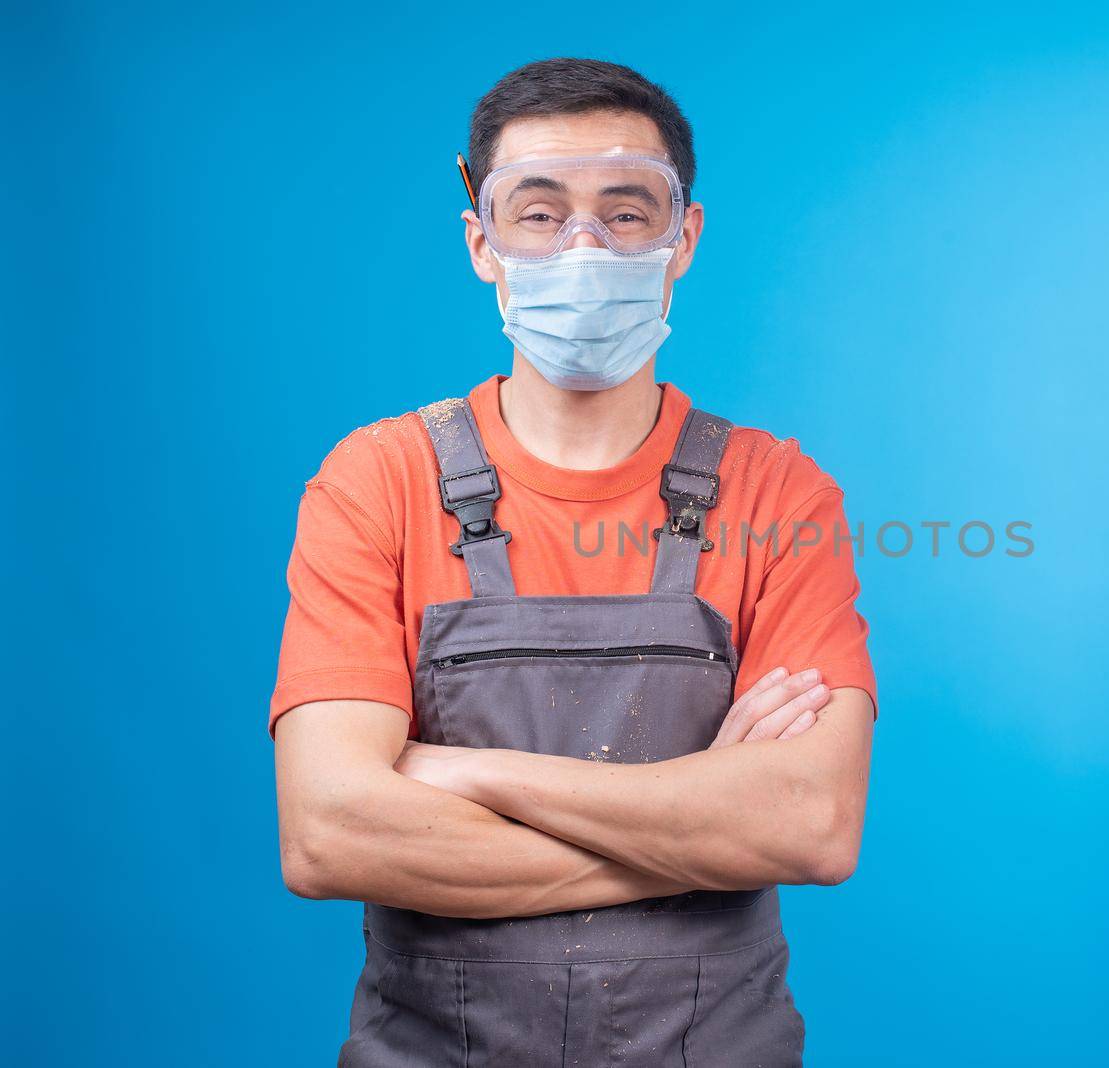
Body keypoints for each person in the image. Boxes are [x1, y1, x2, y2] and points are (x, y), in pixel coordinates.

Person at [268, 57, 877, 1066]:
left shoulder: (778, 492)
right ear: (482, 243)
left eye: (628, 212)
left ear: (685, 238)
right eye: (539, 213)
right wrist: (697, 823)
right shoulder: (376, 479)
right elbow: (329, 834)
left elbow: (811, 825)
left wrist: (463, 773)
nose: (583, 247)